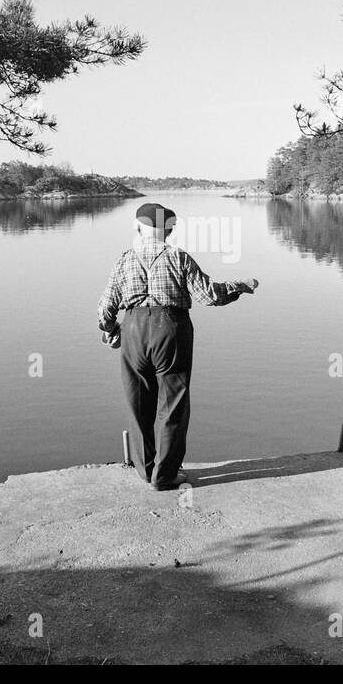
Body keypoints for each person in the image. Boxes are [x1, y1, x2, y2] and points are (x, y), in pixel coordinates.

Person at [97, 203, 259, 490]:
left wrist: (111, 331)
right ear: (169, 230)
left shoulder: (124, 259)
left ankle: (145, 470)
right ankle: (165, 474)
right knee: (172, 404)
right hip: (170, 329)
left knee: (138, 404)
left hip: (134, 329)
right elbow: (210, 296)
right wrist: (240, 285)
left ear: (137, 228)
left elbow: (106, 308)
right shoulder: (178, 257)